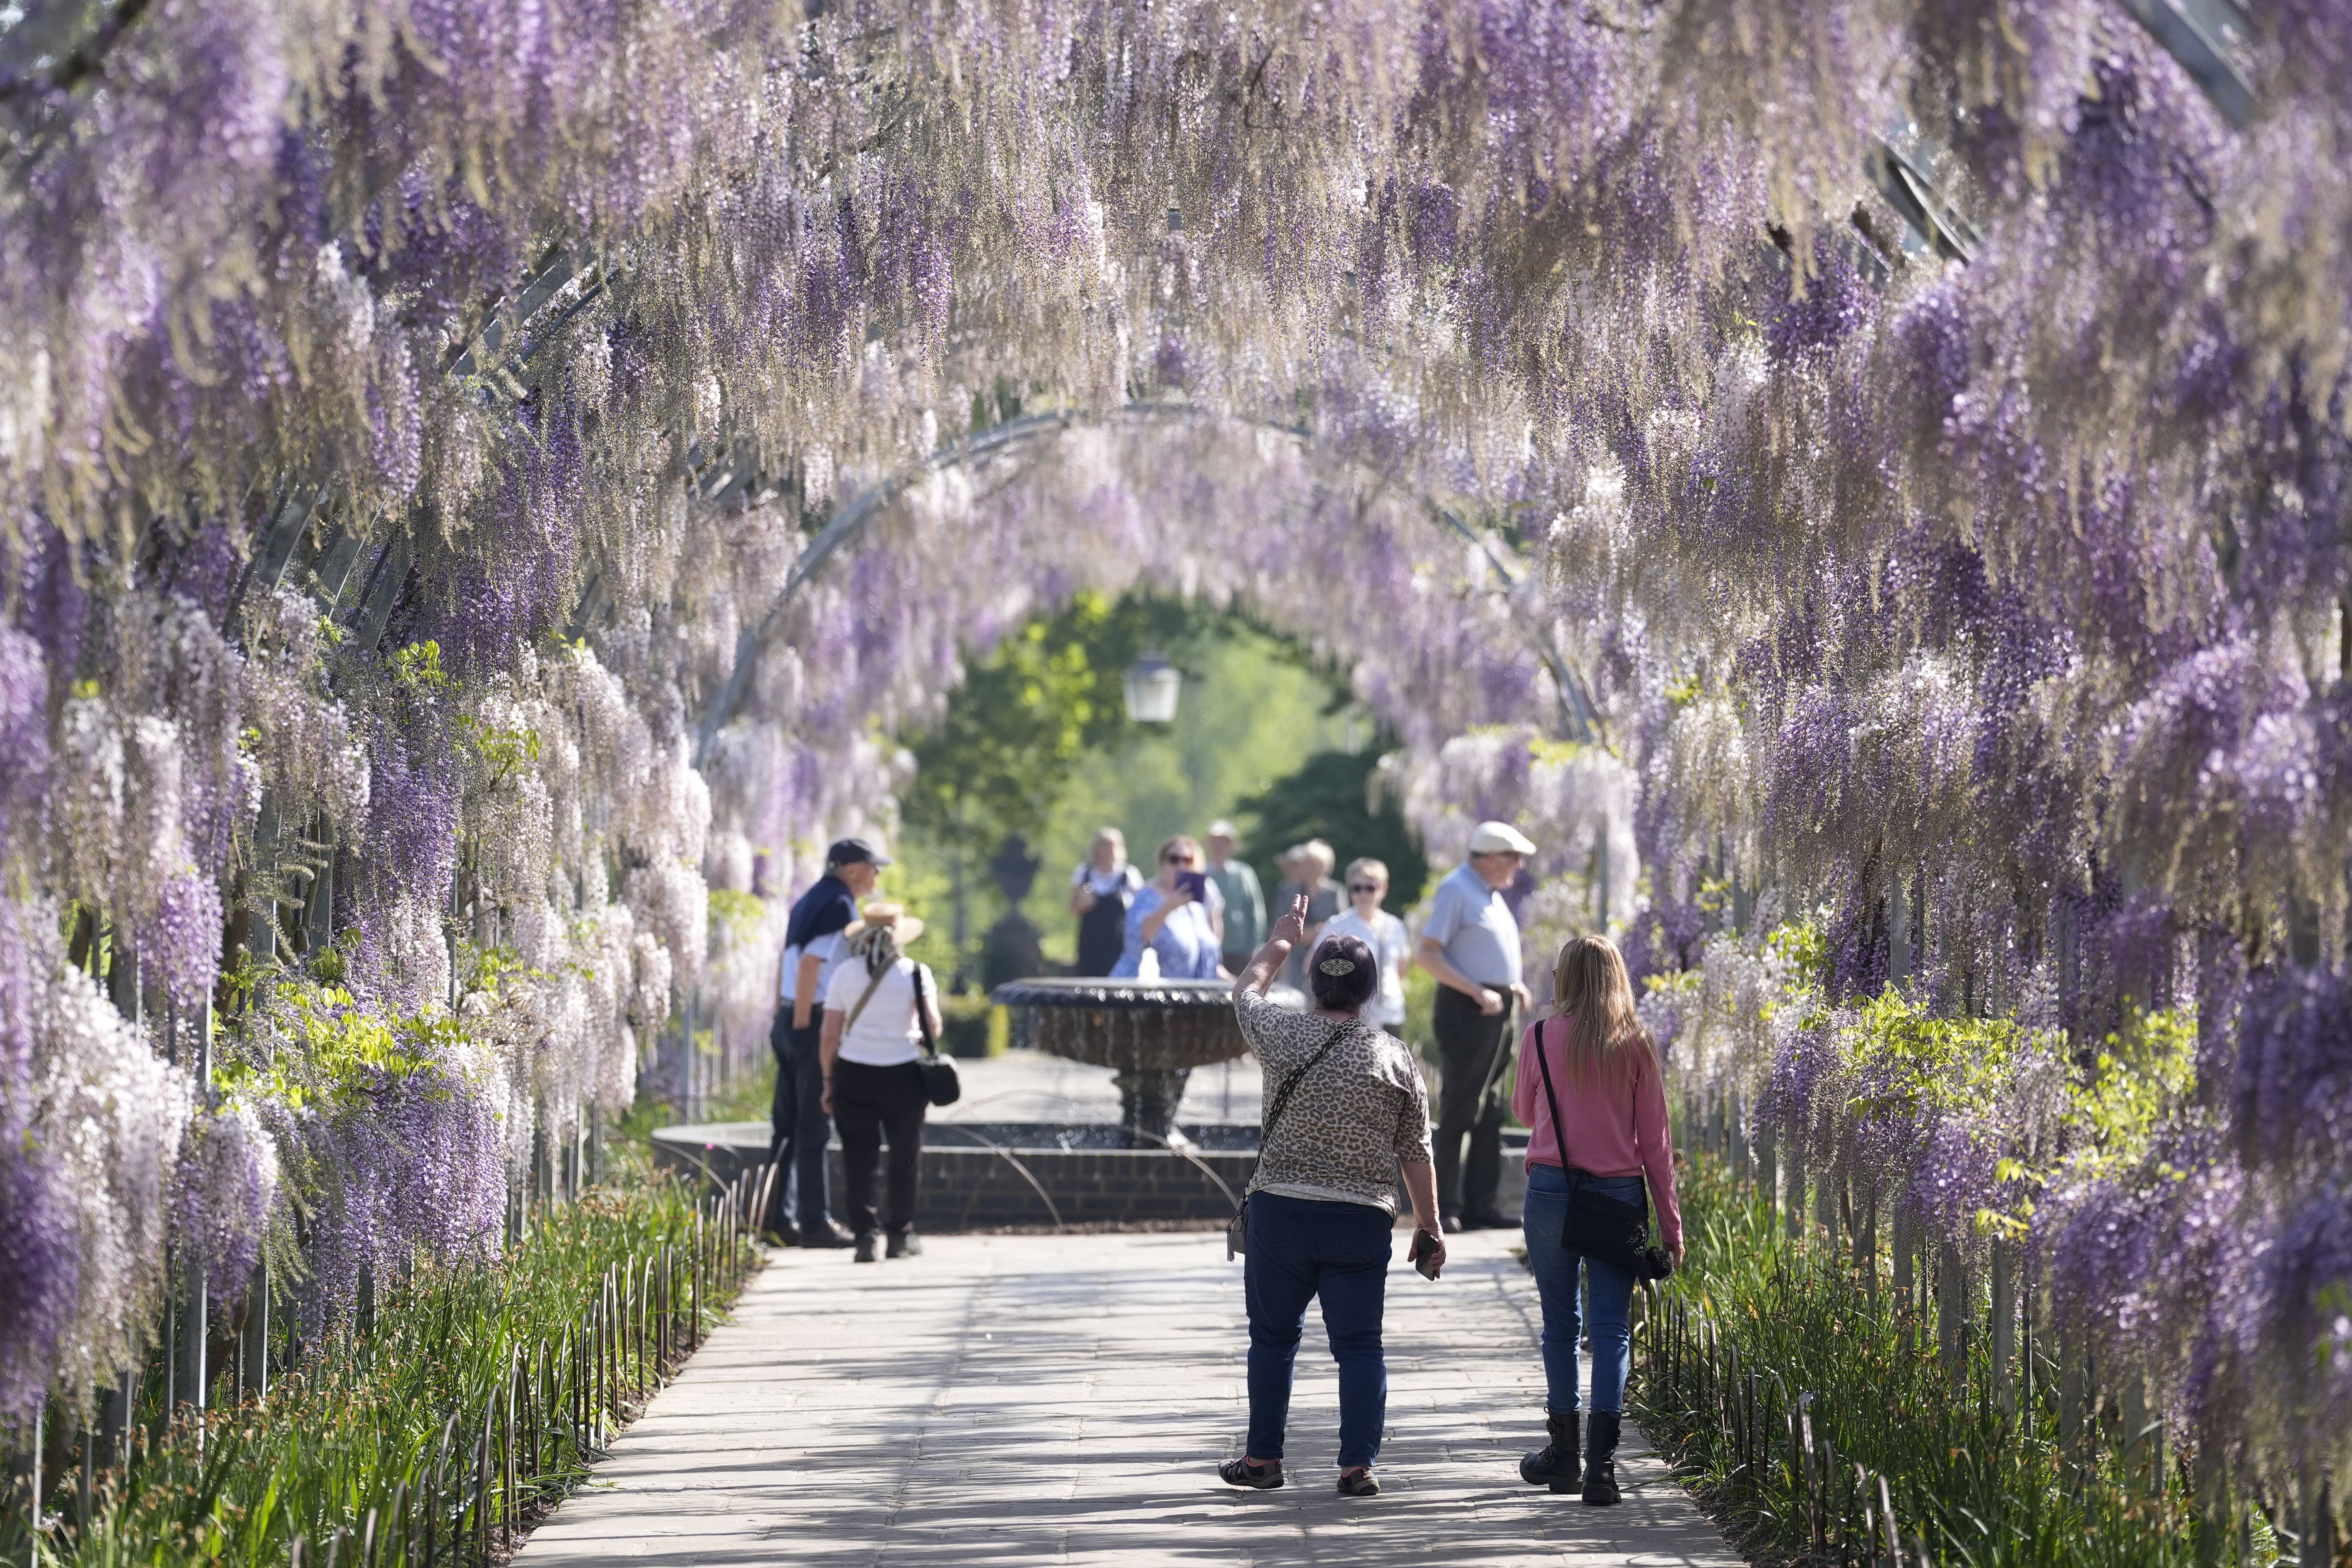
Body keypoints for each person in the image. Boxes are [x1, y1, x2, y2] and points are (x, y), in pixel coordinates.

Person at [1220, 895, 1445, 1499]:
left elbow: (1244, 993)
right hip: (1360, 1219)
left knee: (1273, 1339)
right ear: (1370, 991)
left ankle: (1262, 1458)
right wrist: (1431, 1224)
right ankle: (1356, 1466)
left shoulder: (1282, 1032)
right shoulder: (1394, 1056)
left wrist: (1280, 942)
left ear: (1314, 983)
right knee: (1360, 1344)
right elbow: (1416, 1150)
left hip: (1281, 1212)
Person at [1510, 933, 1683, 1506]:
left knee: (1560, 1324)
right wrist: (1671, 1227)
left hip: (1551, 1191)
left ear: (1564, 979)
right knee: (1611, 1328)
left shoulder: (1539, 1035)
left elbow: (1522, 1111)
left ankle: (1564, 1456)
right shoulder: (1635, 1042)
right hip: (1616, 1198)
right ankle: (1602, 1470)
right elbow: (1656, 1145)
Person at [1415, 820, 1536, 1232]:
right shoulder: (1456, 888)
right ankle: (1445, 1204)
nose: (1519, 865)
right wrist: (1476, 990)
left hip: (1497, 1007)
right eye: (1514, 857)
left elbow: (1484, 952)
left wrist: (1512, 983)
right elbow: (1428, 954)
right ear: (1491, 858)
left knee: (1492, 1109)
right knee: (1462, 1105)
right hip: (1468, 1010)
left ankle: (1480, 1204)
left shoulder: (1488, 892)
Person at [768, 837, 887, 1248]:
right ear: (852, 869)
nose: (877, 874)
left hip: (787, 1017)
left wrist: (785, 1019)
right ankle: (814, 1223)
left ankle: (776, 1219)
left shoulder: (809, 900)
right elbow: (809, 965)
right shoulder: (839, 904)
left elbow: (787, 963)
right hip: (808, 1020)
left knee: (785, 1127)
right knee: (813, 1127)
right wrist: (805, 1029)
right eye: (873, 867)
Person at [819, 901, 946, 1264]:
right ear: (898, 937)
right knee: (905, 1155)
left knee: (858, 1156)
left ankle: (864, 1237)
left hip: (854, 1071)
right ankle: (900, 1235)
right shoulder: (916, 973)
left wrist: (828, 1079)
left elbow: (830, 1034)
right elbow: (933, 1025)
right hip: (904, 1073)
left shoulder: (844, 973)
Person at [1111, 835, 1225, 979]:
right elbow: (1136, 938)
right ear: (1163, 863)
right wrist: (1170, 906)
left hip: (1193, 990)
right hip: (1144, 989)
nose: (1181, 866)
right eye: (1174, 859)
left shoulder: (1194, 903)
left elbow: (1207, 949)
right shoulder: (1146, 896)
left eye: (1188, 860)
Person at [1320, 858, 1411, 1030]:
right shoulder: (1336, 925)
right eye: (1356, 888)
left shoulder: (1395, 926)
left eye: (1370, 888)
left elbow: (1402, 969)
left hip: (1391, 1011)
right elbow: (1315, 967)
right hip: (1352, 1015)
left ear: (1384, 889)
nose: (1363, 894)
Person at [1068, 828, 1143, 978]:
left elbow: (1142, 908)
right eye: (1105, 846)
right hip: (1090, 942)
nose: (1109, 851)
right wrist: (1085, 903)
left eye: (1113, 846)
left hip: (1119, 942)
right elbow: (1072, 909)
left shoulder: (1129, 875)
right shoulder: (1084, 873)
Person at [1273, 841, 1342, 991]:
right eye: (1308, 863)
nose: (1311, 869)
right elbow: (1277, 925)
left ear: (1325, 867)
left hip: (1326, 957)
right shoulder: (1288, 891)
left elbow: (1343, 925)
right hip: (1294, 959)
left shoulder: (1335, 892)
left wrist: (1321, 932)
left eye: (1316, 864)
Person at [1205, 820, 1267, 973]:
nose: (1219, 846)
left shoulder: (1243, 873)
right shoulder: (1202, 874)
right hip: (1210, 948)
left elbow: (1256, 911)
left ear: (1231, 845)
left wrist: (1256, 946)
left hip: (1241, 951)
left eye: (1223, 842)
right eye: (1215, 842)